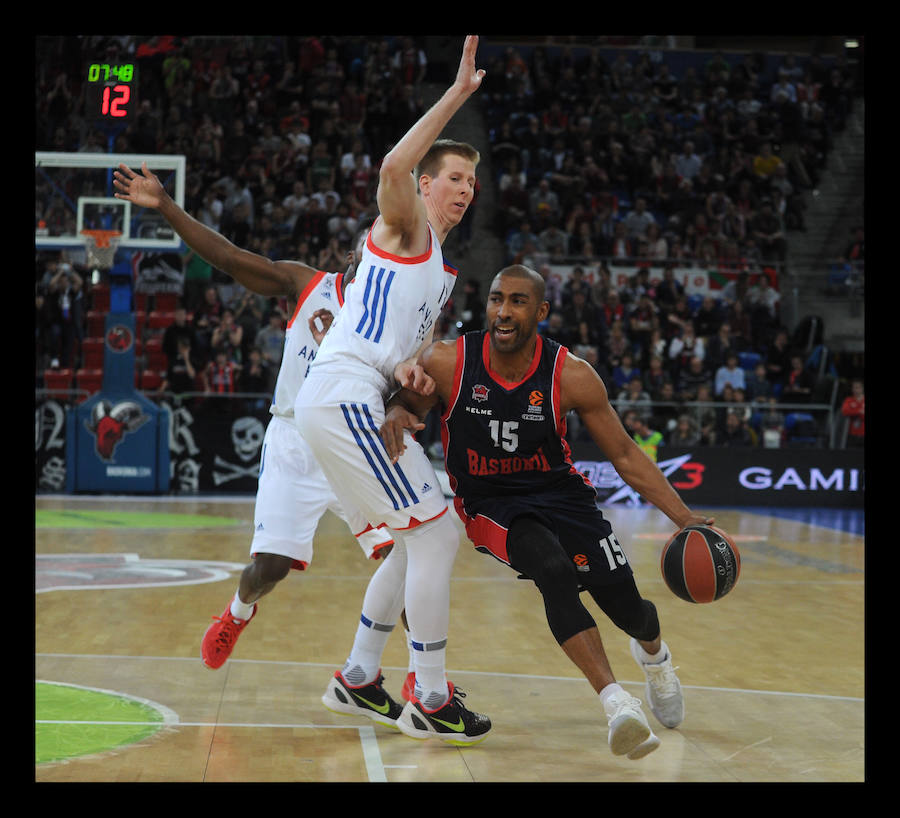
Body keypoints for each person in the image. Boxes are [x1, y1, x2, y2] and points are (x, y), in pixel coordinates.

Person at [379, 265, 720, 760]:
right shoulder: (450, 361)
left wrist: (684, 518)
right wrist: (394, 411)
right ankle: (617, 703)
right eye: (497, 299)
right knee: (553, 572)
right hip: (491, 502)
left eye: (518, 301)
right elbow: (406, 404)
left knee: (631, 611)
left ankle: (656, 656)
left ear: (540, 311)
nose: (504, 311)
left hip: (563, 495)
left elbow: (624, 455)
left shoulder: (571, 374)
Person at [112, 164, 404, 723]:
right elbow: (228, 259)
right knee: (268, 566)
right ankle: (237, 613)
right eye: (372, 243)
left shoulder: (393, 320)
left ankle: (407, 680)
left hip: (356, 443)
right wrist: (168, 208)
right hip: (296, 437)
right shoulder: (306, 284)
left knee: (408, 553)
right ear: (357, 252)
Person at [292, 36, 492, 746]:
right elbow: (392, 163)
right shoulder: (404, 227)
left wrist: (408, 379)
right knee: (438, 535)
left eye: (472, 182)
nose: (465, 190)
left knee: (414, 543)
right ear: (426, 186)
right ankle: (431, 697)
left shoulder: (438, 272)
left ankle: (357, 677)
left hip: (353, 401)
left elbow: (401, 362)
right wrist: (459, 94)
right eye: (454, 178)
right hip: (340, 397)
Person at [840, 378, 864, 448]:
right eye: (854, 388)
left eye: (858, 387)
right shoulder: (849, 400)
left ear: (862, 388)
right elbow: (845, 411)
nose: (855, 390)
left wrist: (854, 412)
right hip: (851, 434)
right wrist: (859, 411)